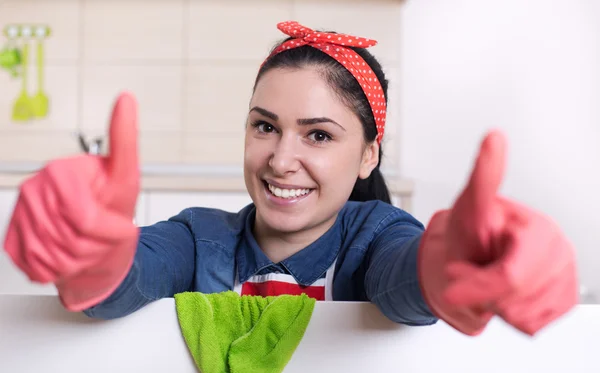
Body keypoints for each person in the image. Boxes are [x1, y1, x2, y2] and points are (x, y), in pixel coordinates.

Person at [3, 21, 578, 337]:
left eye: (319, 135)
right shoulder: (200, 238)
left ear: (367, 157)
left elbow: (408, 272)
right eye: (265, 126)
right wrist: (93, 259)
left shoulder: (375, 237)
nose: (280, 159)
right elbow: (134, 273)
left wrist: (455, 262)